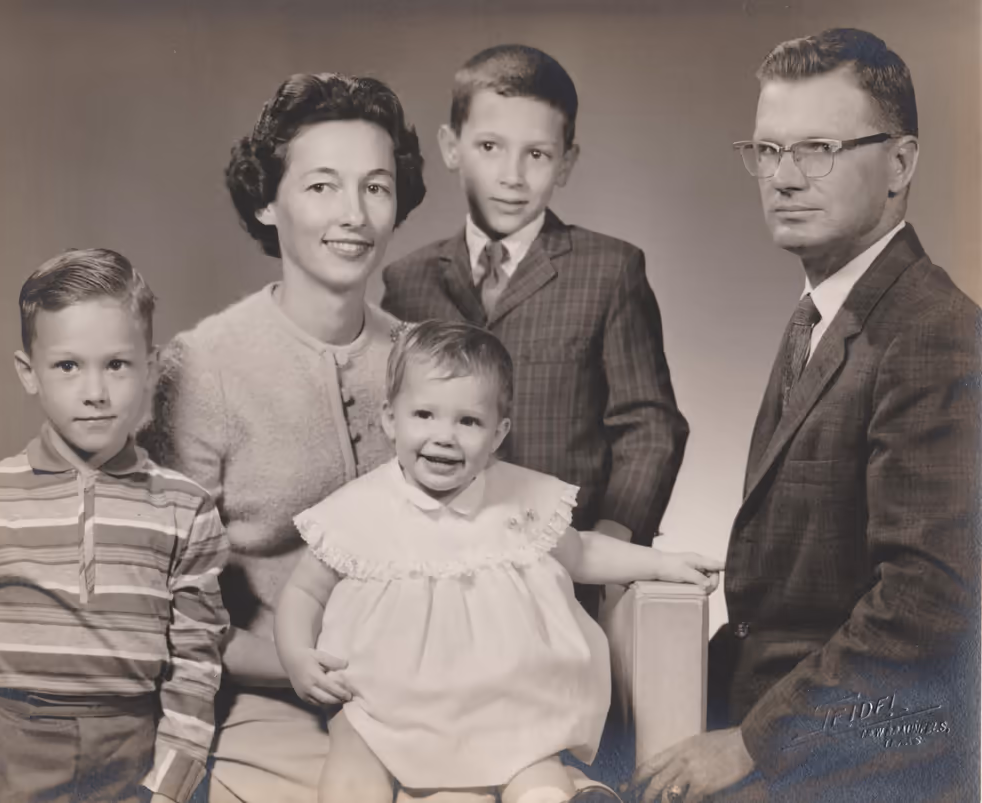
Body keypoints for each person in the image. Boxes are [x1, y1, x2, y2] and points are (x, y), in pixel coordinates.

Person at [632, 28, 981, 803]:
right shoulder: (827, 314)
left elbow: (926, 605)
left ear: (901, 164)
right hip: (782, 710)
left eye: (818, 148)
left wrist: (752, 741)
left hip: (867, 753)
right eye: (768, 151)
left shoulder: (934, 332)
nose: (784, 178)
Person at [275, 320, 723, 803]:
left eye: (468, 422)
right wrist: (297, 655)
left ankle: (551, 795)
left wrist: (662, 564)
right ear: (390, 419)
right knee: (354, 759)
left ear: (497, 433)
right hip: (377, 698)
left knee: (533, 762)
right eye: (424, 414)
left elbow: (583, 552)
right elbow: (304, 591)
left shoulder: (520, 500)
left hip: (506, 699)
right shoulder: (358, 510)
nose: (444, 436)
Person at [140, 73, 426, 802]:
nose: (354, 215)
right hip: (268, 705)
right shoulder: (202, 366)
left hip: (425, 697)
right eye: (322, 186)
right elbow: (165, 598)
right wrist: (301, 666)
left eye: (376, 187)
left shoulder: (425, 359)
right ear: (267, 201)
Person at [381, 45, 688, 618]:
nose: (512, 176)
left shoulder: (609, 270)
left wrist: (609, 542)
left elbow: (650, 426)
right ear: (451, 147)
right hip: (435, 574)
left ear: (566, 163)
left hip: (563, 579)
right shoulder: (406, 282)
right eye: (490, 147)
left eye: (538, 154)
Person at [0, 249, 230, 803]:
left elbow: (196, 665)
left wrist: (170, 787)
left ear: (151, 368)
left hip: (132, 751)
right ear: (29, 373)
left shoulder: (187, 508)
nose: (95, 391)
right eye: (68, 366)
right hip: (9, 753)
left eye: (117, 365)